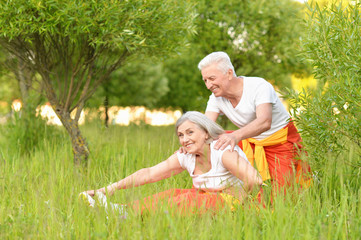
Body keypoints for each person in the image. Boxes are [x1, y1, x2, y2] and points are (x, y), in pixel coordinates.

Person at [81, 111, 263, 216]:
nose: (185, 139)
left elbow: (255, 180)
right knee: (171, 193)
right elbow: (149, 174)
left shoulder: (222, 151)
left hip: (238, 204)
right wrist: (108, 189)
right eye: (181, 135)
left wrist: (237, 200)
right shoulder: (187, 156)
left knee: (186, 199)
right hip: (207, 199)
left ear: (206, 133)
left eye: (190, 132)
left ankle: (125, 216)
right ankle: (122, 211)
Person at [197, 51, 312, 189]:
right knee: (214, 141)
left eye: (212, 78)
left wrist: (235, 136)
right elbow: (205, 128)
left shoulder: (259, 86)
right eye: (205, 80)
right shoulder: (215, 98)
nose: (209, 85)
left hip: (281, 142)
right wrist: (188, 144)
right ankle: (222, 189)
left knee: (283, 196)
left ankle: (311, 181)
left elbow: (264, 122)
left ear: (228, 73)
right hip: (250, 140)